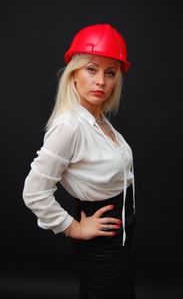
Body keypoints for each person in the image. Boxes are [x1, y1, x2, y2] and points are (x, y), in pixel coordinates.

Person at [22, 23, 136, 299]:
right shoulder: (69, 125)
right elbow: (34, 193)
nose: (101, 81)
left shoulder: (99, 121)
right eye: (91, 69)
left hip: (120, 242)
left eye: (110, 73)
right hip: (102, 248)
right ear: (73, 75)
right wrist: (74, 227)